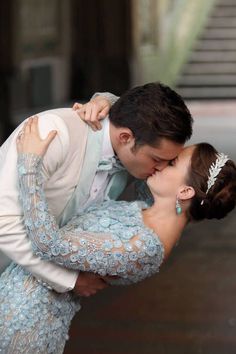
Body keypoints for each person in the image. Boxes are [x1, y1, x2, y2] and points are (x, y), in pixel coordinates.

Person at [0, 117, 236, 353]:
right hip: (14, 289)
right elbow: (135, 141)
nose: (161, 162)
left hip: (29, 320)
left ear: (185, 191)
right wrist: (105, 103)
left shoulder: (142, 248)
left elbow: (48, 244)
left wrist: (30, 165)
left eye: (171, 162)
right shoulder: (149, 204)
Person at [0, 82, 193, 298]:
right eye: (157, 159)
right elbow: (4, 222)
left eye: (169, 162)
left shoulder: (133, 159)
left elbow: (132, 109)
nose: (161, 168)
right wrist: (70, 280)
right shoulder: (50, 134)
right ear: (125, 138)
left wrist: (107, 99)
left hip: (39, 290)